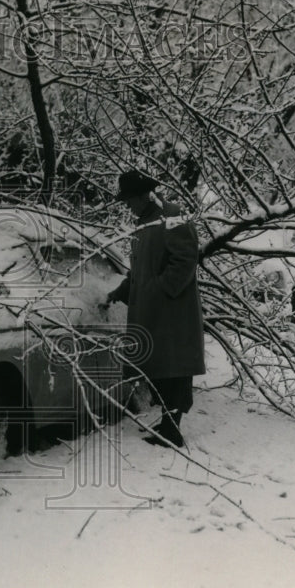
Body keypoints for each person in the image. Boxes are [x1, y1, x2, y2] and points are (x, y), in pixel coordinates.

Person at [104, 168, 206, 448]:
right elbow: (140, 271)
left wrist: (159, 290)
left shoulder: (171, 215)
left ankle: (172, 430)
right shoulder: (144, 223)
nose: (127, 205)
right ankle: (166, 423)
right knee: (158, 369)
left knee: (174, 371)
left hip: (172, 315)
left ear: (144, 195)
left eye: (129, 200)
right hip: (152, 314)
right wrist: (122, 291)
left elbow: (186, 259)